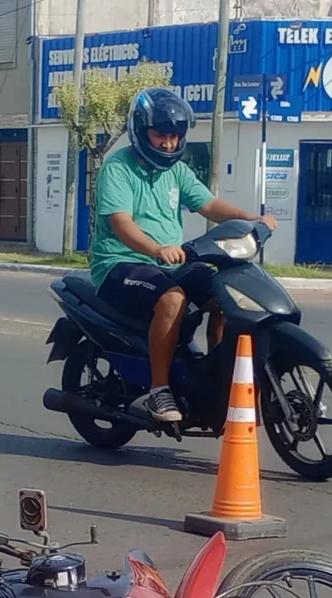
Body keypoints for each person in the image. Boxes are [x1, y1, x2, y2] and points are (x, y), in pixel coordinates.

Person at [90, 88, 276, 424]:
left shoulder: (176, 170)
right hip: (121, 264)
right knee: (172, 298)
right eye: (160, 135)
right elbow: (121, 223)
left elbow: (209, 204)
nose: (168, 144)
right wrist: (156, 249)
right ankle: (159, 390)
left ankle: (220, 375)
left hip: (171, 263)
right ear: (140, 131)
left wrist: (252, 219)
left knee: (228, 292)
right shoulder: (117, 168)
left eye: (174, 137)